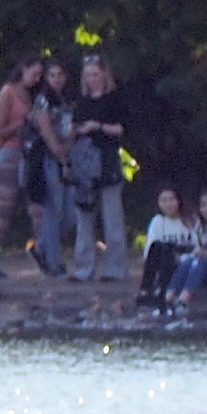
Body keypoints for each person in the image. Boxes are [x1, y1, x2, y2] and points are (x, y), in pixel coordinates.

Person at [68, 57, 130, 281]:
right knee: (84, 218)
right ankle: (83, 268)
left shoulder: (115, 99)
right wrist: (76, 130)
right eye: (88, 75)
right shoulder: (81, 102)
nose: (91, 79)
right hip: (84, 165)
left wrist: (99, 127)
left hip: (107, 162)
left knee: (112, 219)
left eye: (95, 74)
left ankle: (116, 269)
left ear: (104, 74)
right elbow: (73, 129)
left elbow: (121, 129)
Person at [0, 57, 44, 255]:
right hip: (9, 155)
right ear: (23, 69)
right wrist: (23, 124)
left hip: (29, 155)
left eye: (40, 75)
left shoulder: (33, 95)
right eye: (34, 74)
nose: (37, 79)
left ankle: (43, 252)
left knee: (37, 209)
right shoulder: (8, 92)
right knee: (5, 209)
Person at [26, 59, 74, 274]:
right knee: (53, 210)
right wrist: (59, 153)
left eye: (60, 75)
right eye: (52, 75)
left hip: (69, 156)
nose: (57, 79)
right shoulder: (42, 99)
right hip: (48, 158)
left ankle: (41, 247)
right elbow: (45, 130)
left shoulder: (68, 98)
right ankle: (54, 262)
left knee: (70, 213)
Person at [137, 184, 194, 313]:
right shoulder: (158, 221)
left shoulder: (190, 220)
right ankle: (146, 289)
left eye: (172, 199)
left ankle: (162, 291)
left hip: (184, 262)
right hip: (163, 261)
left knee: (167, 249)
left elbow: (197, 246)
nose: (169, 204)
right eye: (164, 200)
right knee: (160, 247)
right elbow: (150, 251)